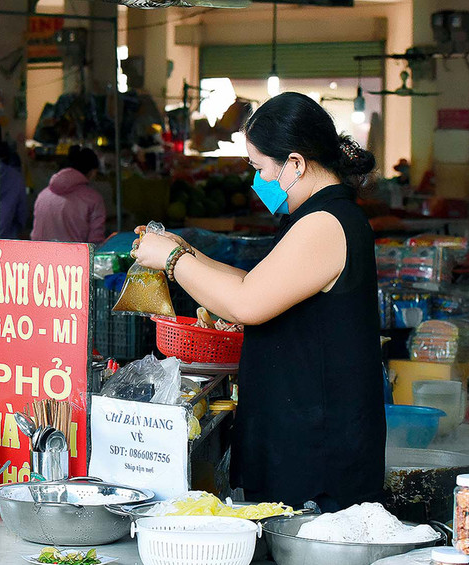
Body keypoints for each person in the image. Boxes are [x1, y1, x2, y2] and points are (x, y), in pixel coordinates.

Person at [131, 92, 383, 512]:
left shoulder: (326, 223)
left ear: (295, 163)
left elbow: (247, 303)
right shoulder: (318, 216)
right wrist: (185, 250)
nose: (258, 181)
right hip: (305, 433)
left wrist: (173, 261)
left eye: (260, 167)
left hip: (319, 450)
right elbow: (254, 284)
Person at [31, 146, 106, 244]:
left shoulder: (43, 195)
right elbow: (95, 242)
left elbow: (35, 235)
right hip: (76, 254)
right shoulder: (93, 199)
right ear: (93, 172)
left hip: (41, 253)